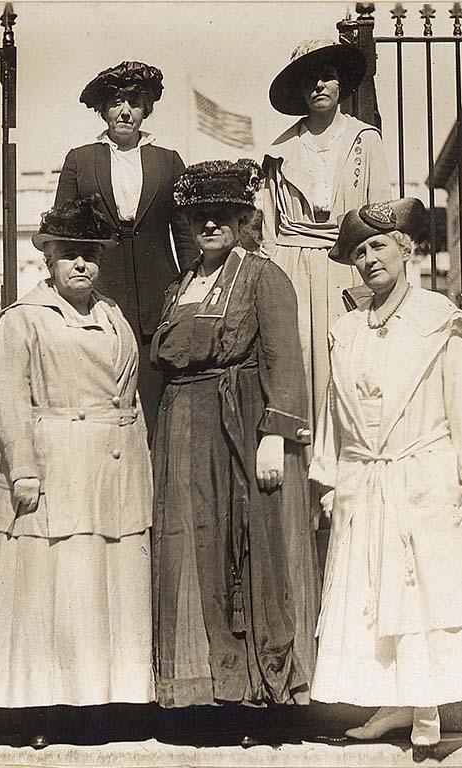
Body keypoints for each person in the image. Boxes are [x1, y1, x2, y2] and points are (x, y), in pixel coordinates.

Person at [0, 197, 155, 748]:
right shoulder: (25, 318)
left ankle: (103, 702)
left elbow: (131, 398)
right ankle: (41, 707)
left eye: (90, 256)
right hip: (56, 463)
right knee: (55, 587)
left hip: (113, 468)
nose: (80, 265)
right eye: (69, 254)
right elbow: (10, 397)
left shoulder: (114, 314)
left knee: (105, 585)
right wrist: (21, 468)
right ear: (47, 259)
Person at [309, 199, 462, 748]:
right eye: (360, 251)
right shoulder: (347, 330)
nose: (369, 259)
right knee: (374, 592)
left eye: (379, 246)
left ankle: (430, 707)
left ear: (406, 249)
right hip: (366, 477)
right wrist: (331, 482)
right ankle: (394, 704)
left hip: (423, 471)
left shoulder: (440, 319)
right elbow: (335, 415)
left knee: (423, 593)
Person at [150, 160, 315, 730]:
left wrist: (275, 433)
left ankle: (261, 699)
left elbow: (284, 360)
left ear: (243, 219)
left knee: (251, 547)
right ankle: (204, 695)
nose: (211, 225)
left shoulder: (263, 276)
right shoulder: (179, 285)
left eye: (222, 215)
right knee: (193, 547)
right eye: (200, 217)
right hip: (183, 429)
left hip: (243, 424)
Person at [55, 61, 199, 439]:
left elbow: (184, 232)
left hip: (158, 293)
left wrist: (189, 285)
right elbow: (63, 230)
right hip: (100, 291)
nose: (125, 112)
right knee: (103, 390)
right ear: (103, 110)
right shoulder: (80, 159)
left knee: (155, 394)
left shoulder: (167, 160)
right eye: (116, 102)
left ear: (145, 109)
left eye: (134, 103)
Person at [260, 38, 391, 436]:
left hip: (346, 264)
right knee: (296, 356)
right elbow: (268, 224)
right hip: (293, 265)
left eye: (328, 77)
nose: (319, 85)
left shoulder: (364, 140)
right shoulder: (279, 149)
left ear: (341, 86)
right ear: (300, 90)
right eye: (310, 79)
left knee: (347, 359)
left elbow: (380, 214)